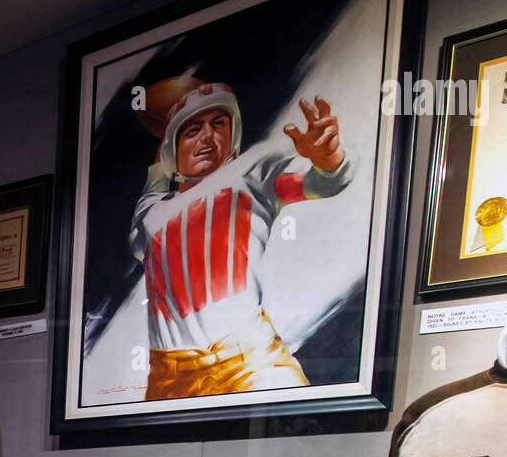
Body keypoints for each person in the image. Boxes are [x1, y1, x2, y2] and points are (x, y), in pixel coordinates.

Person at [129, 80, 354, 400]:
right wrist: (169, 130)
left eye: (218, 124)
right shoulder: (150, 216)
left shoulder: (250, 174)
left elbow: (323, 182)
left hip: (250, 364)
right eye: (193, 130)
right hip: (169, 377)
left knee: (288, 442)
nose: (208, 136)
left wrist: (330, 161)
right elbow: (155, 181)